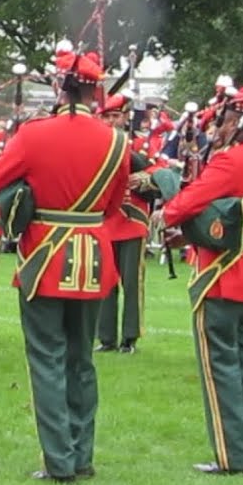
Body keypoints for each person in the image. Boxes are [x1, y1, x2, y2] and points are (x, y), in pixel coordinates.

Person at [0, 48, 130, 483]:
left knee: (47, 359)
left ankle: (59, 461)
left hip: (45, 256)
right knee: (82, 359)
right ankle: (82, 455)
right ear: (95, 90)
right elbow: (115, 205)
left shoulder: (34, 134)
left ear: (61, 89)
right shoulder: (117, 140)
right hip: (94, 256)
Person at [160, 88, 243, 475]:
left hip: (228, 267)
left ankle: (231, 455)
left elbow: (190, 201)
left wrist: (166, 206)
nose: (218, 127)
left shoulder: (231, 160)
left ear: (237, 123)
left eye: (224, 120)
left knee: (221, 365)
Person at [97, 93, 148, 354]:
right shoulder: (95, 144)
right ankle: (105, 337)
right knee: (106, 281)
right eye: (106, 116)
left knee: (131, 282)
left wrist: (143, 177)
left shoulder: (139, 144)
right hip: (105, 221)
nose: (110, 121)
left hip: (131, 220)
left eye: (115, 116)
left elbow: (158, 171)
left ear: (125, 117)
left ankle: (130, 337)